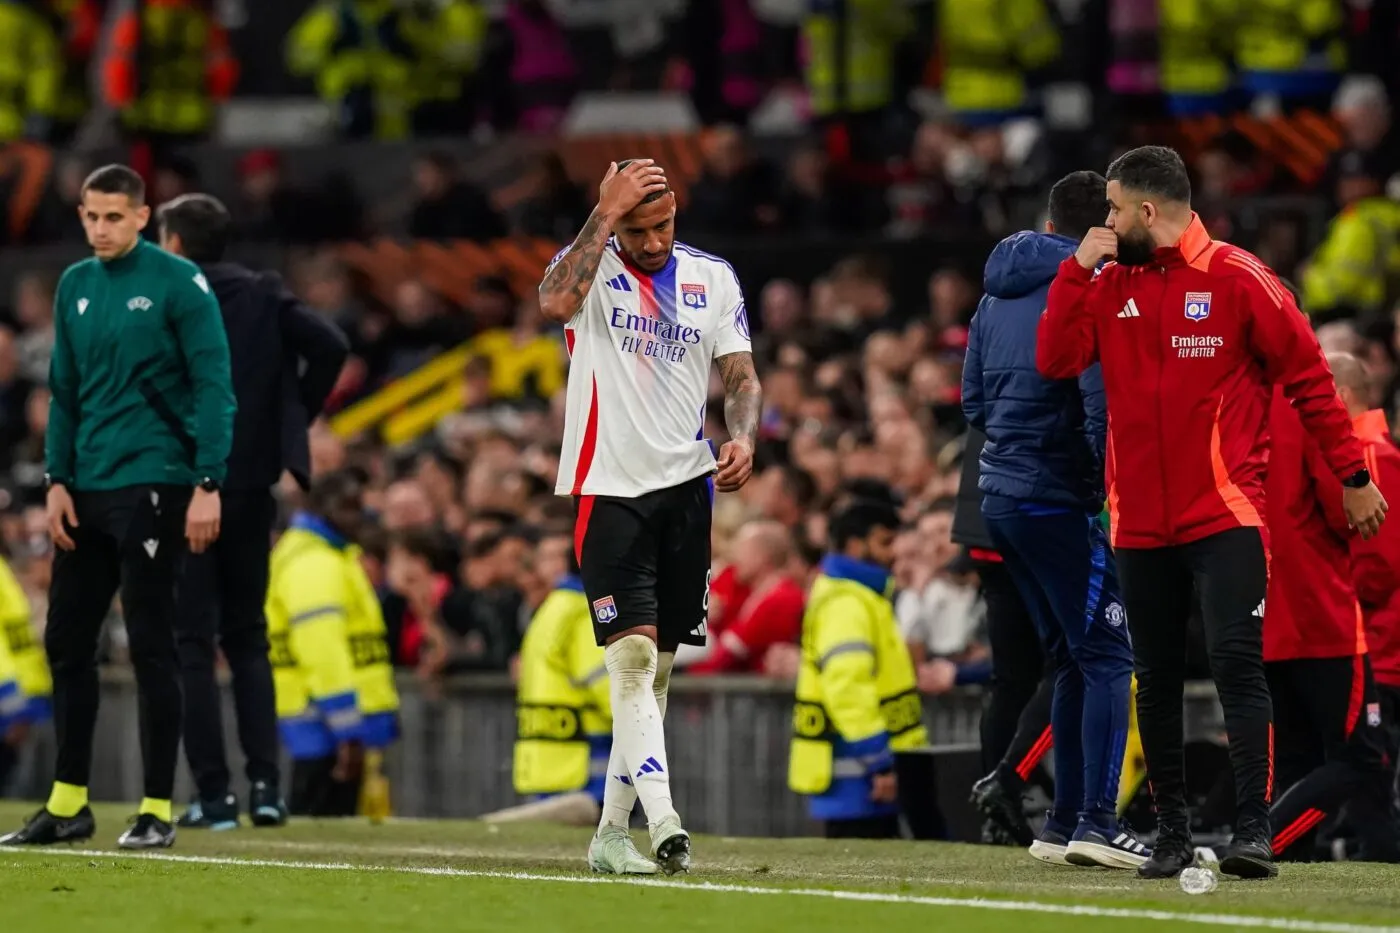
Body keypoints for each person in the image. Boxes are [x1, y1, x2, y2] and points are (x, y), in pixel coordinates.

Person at [1037, 145, 1387, 880]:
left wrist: (1353, 473)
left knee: (1235, 663)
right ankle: (1170, 832)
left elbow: (1312, 380)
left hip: (1225, 512)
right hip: (1136, 518)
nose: (1104, 220)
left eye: (1111, 206)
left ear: (1147, 210)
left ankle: (1253, 831)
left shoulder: (1238, 277)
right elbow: (1057, 359)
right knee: (1156, 676)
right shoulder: (1107, 283)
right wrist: (1074, 272)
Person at [537, 158, 762, 874]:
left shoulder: (713, 278)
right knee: (629, 658)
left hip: (687, 488)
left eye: (664, 224)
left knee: (656, 674)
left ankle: (609, 833)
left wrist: (745, 435)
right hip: (608, 487)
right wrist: (603, 216)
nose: (656, 240)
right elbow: (550, 302)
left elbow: (741, 375)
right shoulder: (589, 268)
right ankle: (664, 819)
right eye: (640, 228)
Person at [1, 164, 235, 849]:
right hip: (87, 488)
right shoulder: (74, 286)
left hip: (155, 482)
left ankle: (156, 806)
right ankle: (68, 803)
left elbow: (214, 385)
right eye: (91, 216)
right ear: (80, 215)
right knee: (67, 641)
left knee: (151, 642)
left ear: (142, 215)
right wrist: (56, 480)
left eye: (115, 217)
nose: (101, 228)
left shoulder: (178, 283)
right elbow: (65, 393)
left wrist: (209, 481)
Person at [964, 170, 1145, 869]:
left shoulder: (993, 294)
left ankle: (1063, 821)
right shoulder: (1091, 289)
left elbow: (974, 402)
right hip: (1056, 496)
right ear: (1102, 225)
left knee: (1071, 655)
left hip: (1000, 497)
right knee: (1108, 654)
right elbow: (1098, 405)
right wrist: (1098, 483)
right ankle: (1099, 818)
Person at [156, 193, 349, 830]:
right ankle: (267, 788)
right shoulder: (262, 293)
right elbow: (329, 344)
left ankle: (214, 796)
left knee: (191, 643)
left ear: (175, 243)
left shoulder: (167, 296)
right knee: (247, 641)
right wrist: (290, 415)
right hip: (253, 488)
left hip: (187, 489)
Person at [1261, 350, 1398, 863]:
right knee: (1365, 758)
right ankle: (1259, 838)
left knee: (1299, 758)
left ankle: (1275, 855)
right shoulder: (1337, 431)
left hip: (1267, 614)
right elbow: (1369, 546)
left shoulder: (1243, 405)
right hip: (1330, 617)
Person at [787, 490, 932, 839]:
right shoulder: (846, 602)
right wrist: (880, 763)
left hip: (863, 776)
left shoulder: (857, 597)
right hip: (861, 779)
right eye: (885, 542)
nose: (893, 552)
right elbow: (847, 689)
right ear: (855, 545)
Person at [265, 469, 399, 817]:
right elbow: (322, 651)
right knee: (321, 829)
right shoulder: (314, 563)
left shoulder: (331, 557)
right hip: (325, 726)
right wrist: (347, 730)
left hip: (328, 725)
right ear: (326, 508)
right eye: (351, 507)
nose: (362, 517)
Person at [956, 426, 1054, 848]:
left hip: (984, 518)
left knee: (1011, 680)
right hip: (1033, 511)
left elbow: (975, 403)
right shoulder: (1048, 357)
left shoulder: (984, 356)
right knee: (1078, 664)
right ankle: (1012, 784)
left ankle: (997, 813)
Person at [512, 541, 611, 814]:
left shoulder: (552, 609)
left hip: (549, 758)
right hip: (584, 764)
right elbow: (604, 682)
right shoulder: (582, 612)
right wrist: (643, 714)